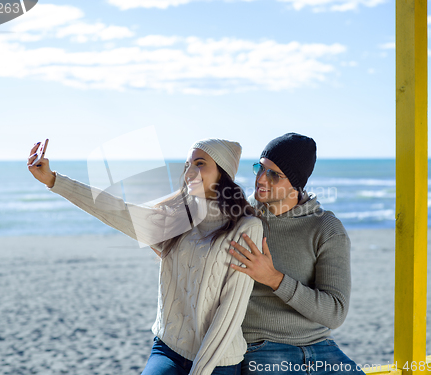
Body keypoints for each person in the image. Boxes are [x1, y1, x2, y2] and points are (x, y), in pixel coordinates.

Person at [27, 138, 263, 375]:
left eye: (199, 164)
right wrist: (53, 180)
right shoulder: (177, 215)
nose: (189, 172)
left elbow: (230, 311)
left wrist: (199, 371)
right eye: (187, 165)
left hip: (218, 359)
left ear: (222, 173)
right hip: (169, 348)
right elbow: (115, 209)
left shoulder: (246, 227)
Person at [227, 133, 365, 375]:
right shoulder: (241, 217)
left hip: (321, 347)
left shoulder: (326, 228)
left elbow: (335, 313)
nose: (261, 178)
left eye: (273, 174)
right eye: (259, 168)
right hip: (264, 347)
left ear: (296, 182)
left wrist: (274, 279)